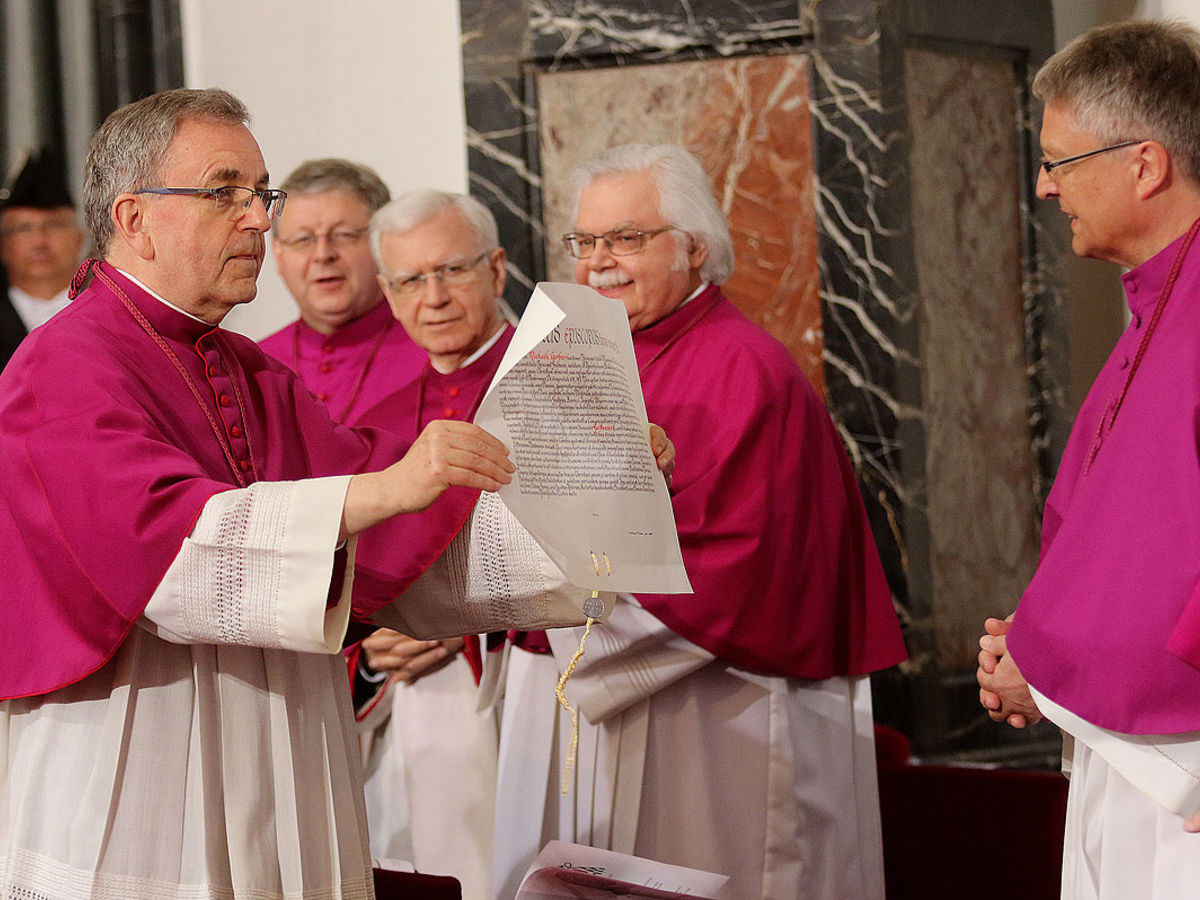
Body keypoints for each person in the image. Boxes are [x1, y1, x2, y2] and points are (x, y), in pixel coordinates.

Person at [0, 87, 523, 900]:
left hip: (287, 753)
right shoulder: (63, 364)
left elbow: (395, 522)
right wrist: (386, 489)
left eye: (260, 193)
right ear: (133, 218)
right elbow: (159, 544)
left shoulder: (247, 370)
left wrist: (592, 477)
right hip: (146, 753)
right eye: (224, 193)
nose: (257, 219)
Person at [488, 143, 907, 900]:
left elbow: (741, 565)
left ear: (695, 247)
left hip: (715, 712)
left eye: (627, 238)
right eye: (584, 242)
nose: (599, 262)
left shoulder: (746, 371)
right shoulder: (573, 355)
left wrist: (551, 613)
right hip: (585, 681)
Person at [975, 20, 1200, 898]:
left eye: (1060, 162)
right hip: (1133, 762)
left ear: (1145, 165)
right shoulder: (1152, 311)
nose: (1042, 186)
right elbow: (1115, 545)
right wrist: (1037, 648)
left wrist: (1053, 668)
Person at [347, 189, 517, 898]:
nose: (435, 296)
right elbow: (349, 584)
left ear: (498, 271)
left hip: (520, 702)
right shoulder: (376, 423)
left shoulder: (558, 387)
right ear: (387, 293)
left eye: (452, 270)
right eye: (412, 280)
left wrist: (471, 622)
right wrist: (369, 653)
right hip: (409, 713)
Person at [260, 157, 425, 420]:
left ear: (383, 245)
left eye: (345, 235)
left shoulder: (433, 349)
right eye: (303, 239)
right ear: (278, 255)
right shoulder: (253, 365)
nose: (323, 255)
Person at [0, 147, 86, 369]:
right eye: (23, 228)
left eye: (53, 225)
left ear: (78, 239)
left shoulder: (112, 317)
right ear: (3, 246)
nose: (39, 241)